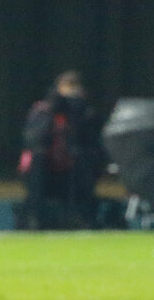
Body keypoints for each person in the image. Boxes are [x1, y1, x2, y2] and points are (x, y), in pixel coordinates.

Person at [17, 70, 104, 229]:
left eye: (74, 87)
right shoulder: (43, 110)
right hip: (44, 168)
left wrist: (77, 111)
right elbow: (32, 138)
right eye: (67, 87)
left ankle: (80, 217)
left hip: (73, 168)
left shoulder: (85, 113)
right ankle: (34, 218)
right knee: (37, 162)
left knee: (83, 163)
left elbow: (91, 141)